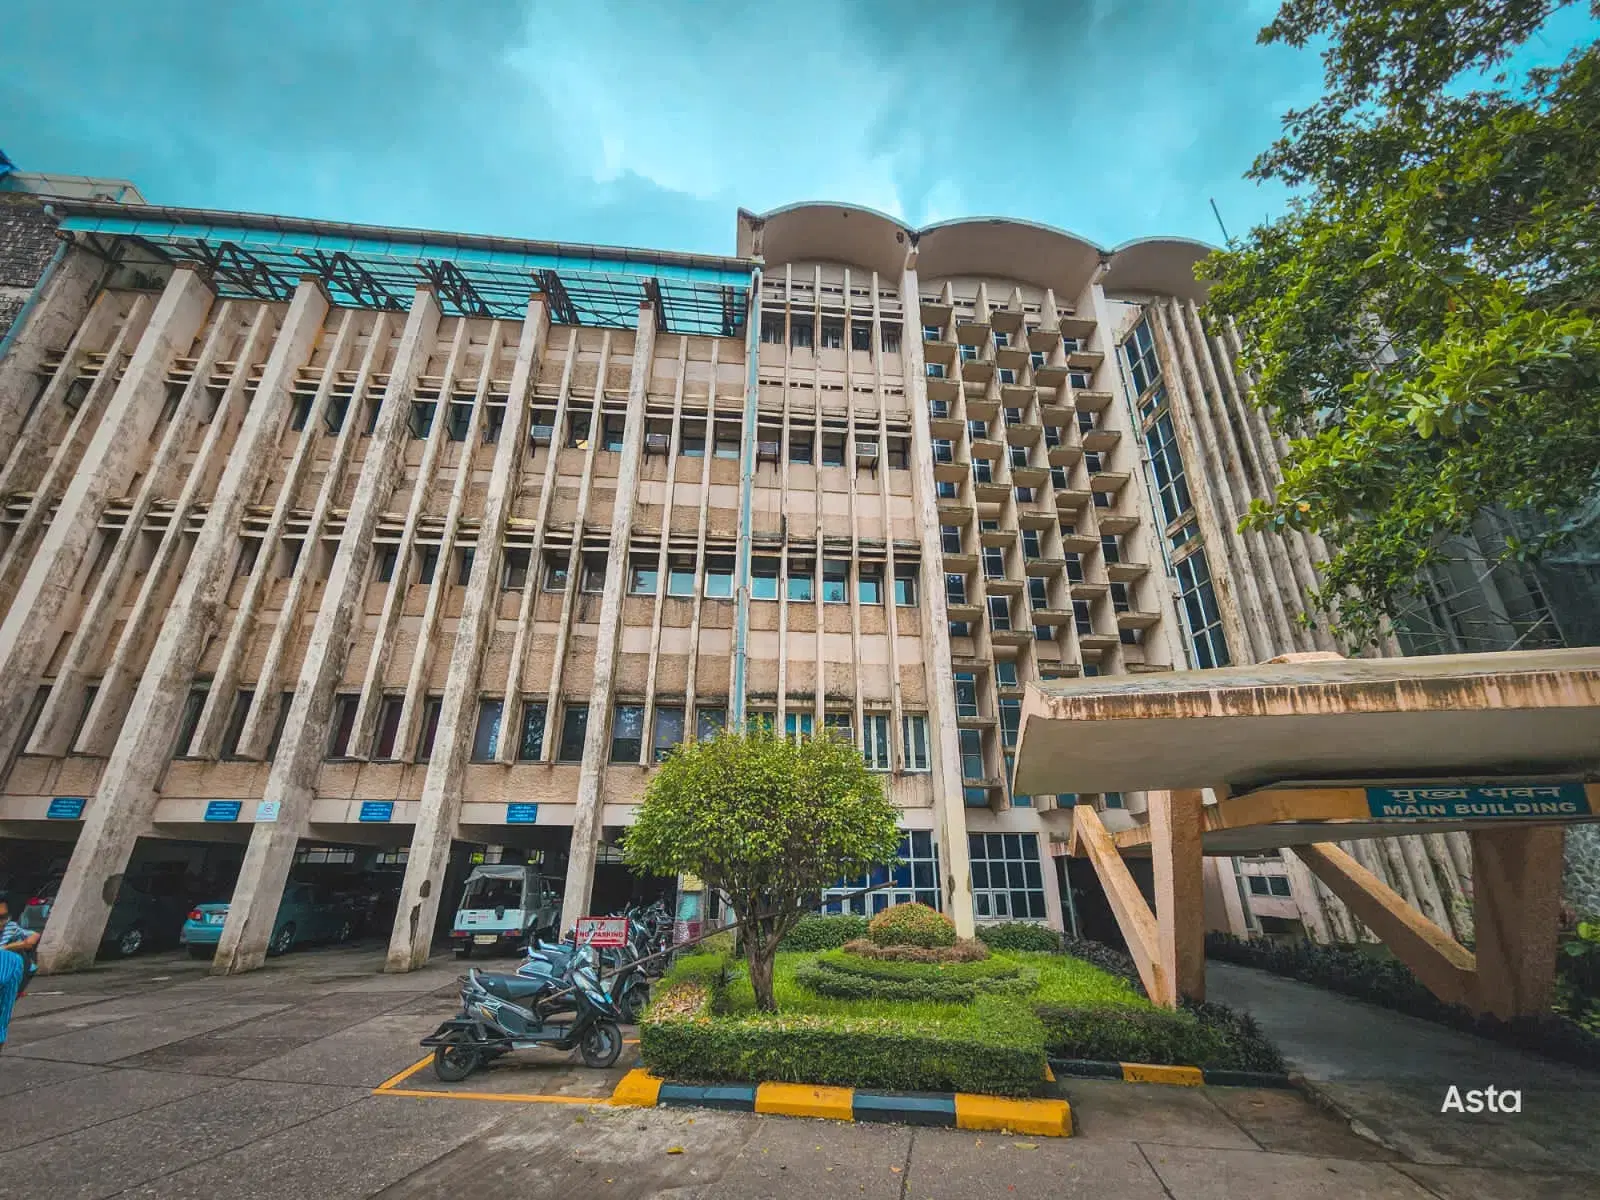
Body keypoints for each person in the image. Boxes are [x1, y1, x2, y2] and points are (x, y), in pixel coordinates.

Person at [0, 897, 40, 1052]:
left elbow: (33, 937)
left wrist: (9, 946)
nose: (1, 922)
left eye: (3, 917)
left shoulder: (11, 928)